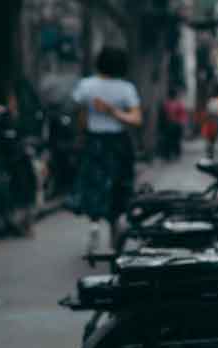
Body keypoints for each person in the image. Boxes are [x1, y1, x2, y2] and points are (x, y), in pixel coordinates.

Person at [70, 46, 142, 252]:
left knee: (94, 185)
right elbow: (136, 119)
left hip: (94, 141)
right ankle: (114, 231)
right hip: (118, 142)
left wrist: (81, 133)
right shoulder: (126, 88)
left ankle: (94, 224)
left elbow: (78, 112)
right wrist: (114, 111)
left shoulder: (86, 86)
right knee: (118, 186)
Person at [160, 87, 187, 160]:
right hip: (173, 125)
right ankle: (173, 154)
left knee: (171, 141)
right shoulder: (176, 104)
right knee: (173, 141)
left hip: (171, 125)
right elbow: (182, 115)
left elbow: (182, 115)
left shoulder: (167, 104)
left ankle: (170, 155)